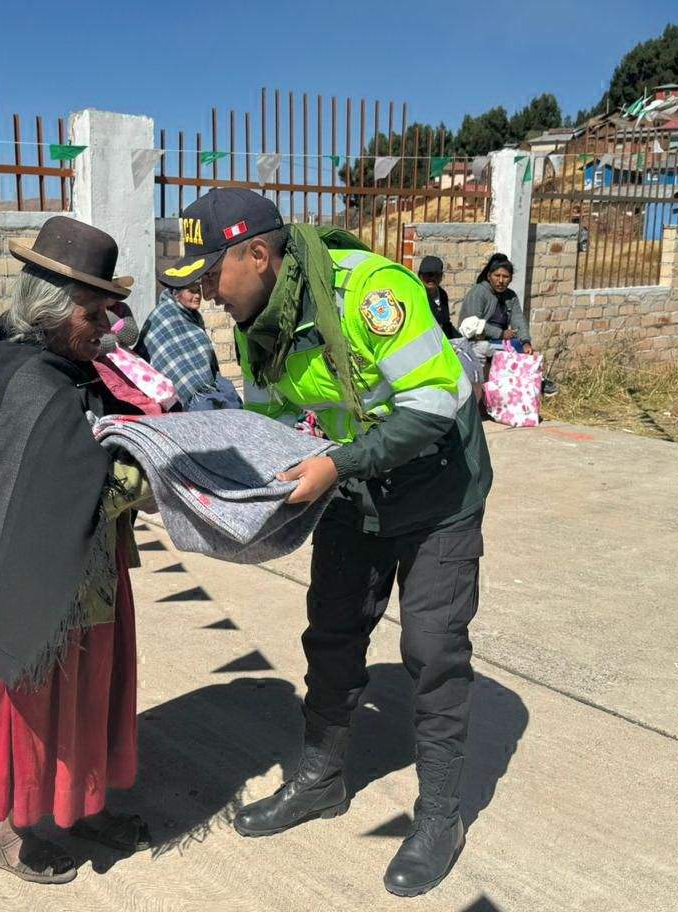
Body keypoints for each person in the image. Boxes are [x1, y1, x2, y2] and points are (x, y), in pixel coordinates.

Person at [159, 188, 492, 897]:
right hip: (354, 488)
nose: (208, 296)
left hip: (438, 493)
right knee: (332, 636)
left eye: (211, 276)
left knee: (432, 651)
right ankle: (320, 779)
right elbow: (274, 423)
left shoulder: (371, 292)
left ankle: (439, 816)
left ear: (258, 255)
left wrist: (334, 463)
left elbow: (436, 403)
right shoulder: (260, 325)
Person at [0, 216, 153, 885]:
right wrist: (139, 472)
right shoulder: (27, 378)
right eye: (93, 313)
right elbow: (71, 479)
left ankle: (80, 804)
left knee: (87, 692)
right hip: (19, 573)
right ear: (51, 310)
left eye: (108, 311)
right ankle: (13, 831)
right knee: (27, 700)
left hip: (85, 568)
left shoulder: (64, 366)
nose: (104, 327)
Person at [458, 253, 555, 396]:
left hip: (498, 343)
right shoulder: (479, 292)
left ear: (510, 279)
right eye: (497, 276)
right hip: (476, 342)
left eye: (506, 277)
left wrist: (526, 342)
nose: (501, 281)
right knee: (487, 347)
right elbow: (473, 324)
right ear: (489, 275)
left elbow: (518, 319)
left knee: (528, 352)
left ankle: (534, 387)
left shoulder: (511, 296)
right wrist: (501, 334)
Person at [140, 280, 242, 410]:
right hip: (188, 398)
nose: (198, 295)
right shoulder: (163, 315)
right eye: (192, 291)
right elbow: (159, 354)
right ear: (177, 294)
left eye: (198, 290)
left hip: (209, 388)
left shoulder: (194, 317)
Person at [416, 256, 458, 340]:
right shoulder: (416, 295)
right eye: (427, 274)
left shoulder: (442, 295)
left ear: (441, 276)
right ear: (420, 275)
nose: (431, 278)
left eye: (435, 275)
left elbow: (446, 323)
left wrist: (460, 340)